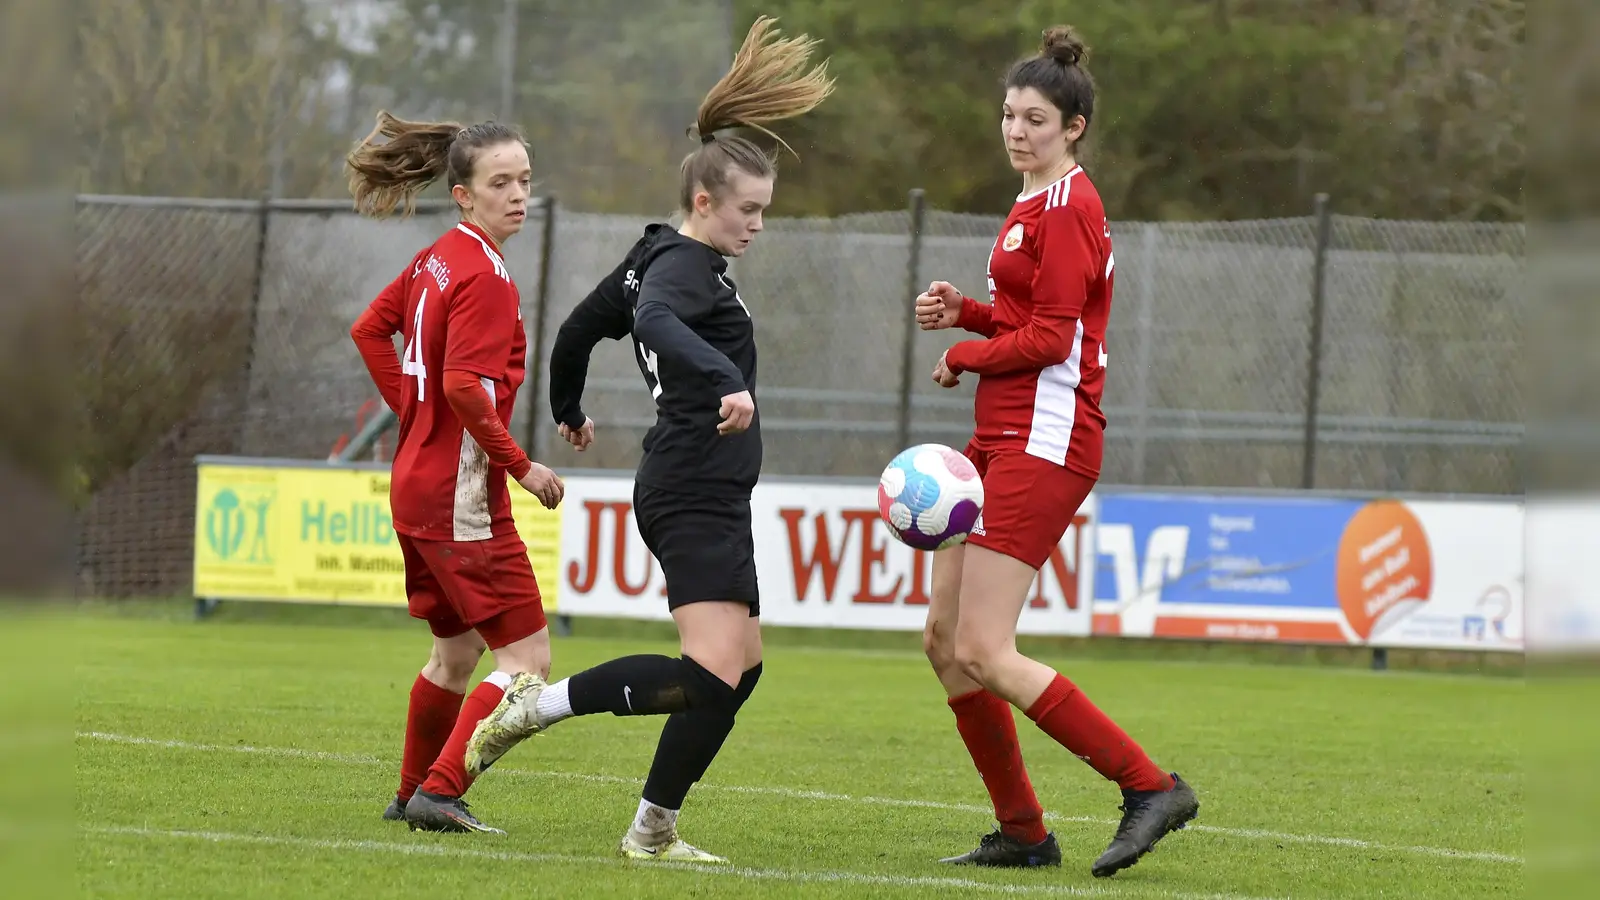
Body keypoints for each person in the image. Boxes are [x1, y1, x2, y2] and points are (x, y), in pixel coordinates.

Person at [459, 16, 834, 864]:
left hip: (706, 489)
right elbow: (658, 321)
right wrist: (724, 380)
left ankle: (653, 829)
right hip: (692, 488)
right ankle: (537, 708)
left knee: (742, 670)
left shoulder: (650, 254)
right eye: (749, 211)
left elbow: (576, 331)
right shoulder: (680, 271)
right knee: (709, 674)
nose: (759, 226)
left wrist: (569, 407)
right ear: (705, 202)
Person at [913, 26, 1200, 878]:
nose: (1016, 130)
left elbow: (1051, 340)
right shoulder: (1034, 202)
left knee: (984, 650)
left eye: (1035, 118)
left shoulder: (1072, 206)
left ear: (1073, 126)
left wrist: (968, 352)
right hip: (1001, 435)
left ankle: (1151, 786)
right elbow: (1027, 318)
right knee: (943, 640)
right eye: (1007, 115)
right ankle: (1025, 834)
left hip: (1045, 438)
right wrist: (967, 311)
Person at [346, 111, 566, 835]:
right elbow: (465, 388)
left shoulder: (439, 256)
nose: (518, 195)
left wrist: (414, 418)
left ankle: (411, 790)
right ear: (464, 195)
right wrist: (522, 465)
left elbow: (371, 330)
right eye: (499, 183)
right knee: (528, 660)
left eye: (525, 180)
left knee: (455, 653)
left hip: (417, 486)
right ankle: (440, 790)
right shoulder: (483, 276)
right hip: (460, 499)